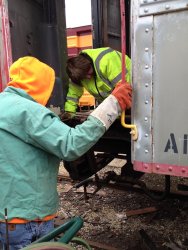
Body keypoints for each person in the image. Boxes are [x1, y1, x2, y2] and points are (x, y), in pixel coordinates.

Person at [0, 56, 132, 249]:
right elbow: (71, 144)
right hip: (27, 219)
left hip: (6, 216)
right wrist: (113, 103)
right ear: (41, 84)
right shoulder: (28, 111)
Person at [63, 47, 131, 117]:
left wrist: (114, 113)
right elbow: (73, 95)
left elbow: (124, 88)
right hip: (114, 105)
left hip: (135, 95)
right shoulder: (78, 74)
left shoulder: (106, 60)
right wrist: (69, 113)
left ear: (90, 63)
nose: (88, 77)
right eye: (85, 77)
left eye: (88, 73)